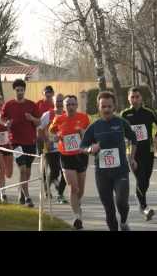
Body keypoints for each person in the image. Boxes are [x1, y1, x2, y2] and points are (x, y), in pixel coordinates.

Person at [80, 91, 138, 231]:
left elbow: (133, 139)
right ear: (98, 107)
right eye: (103, 106)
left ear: (114, 107)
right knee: (109, 209)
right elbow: (82, 146)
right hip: (102, 174)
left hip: (120, 171)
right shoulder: (94, 127)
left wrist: (132, 157)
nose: (106, 109)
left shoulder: (121, 122)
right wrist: (90, 149)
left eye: (109, 106)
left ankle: (123, 221)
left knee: (121, 202)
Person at [121, 87, 157, 221]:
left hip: (148, 151)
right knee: (140, 179)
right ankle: (144, 207)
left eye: (137, 97)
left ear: (141, 98)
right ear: (128, 98)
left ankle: (141, 202)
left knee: (145, 181)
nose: (135, 99)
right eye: (132, 97)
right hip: (132, 153)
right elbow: (119, 130)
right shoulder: (125, 114)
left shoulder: (149, 112)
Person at [49, 95, 90, 229]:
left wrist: (82, 132)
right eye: (68, 105)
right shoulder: (58, 119)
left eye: (73, 104)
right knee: (73, 187)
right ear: (64, 107)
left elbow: (89, 135)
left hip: (81, 156)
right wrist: (56, 137)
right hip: (66, 156)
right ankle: (77, 217)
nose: (70, 107)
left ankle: (77, 206)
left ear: (77, 105)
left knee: (81, 190)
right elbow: (52, 133)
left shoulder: (83, 118)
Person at [0, 79, 41, 208]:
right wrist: (6, 124)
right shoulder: (8, 105)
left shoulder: (32, 105)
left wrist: (32, 118)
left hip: (30, 142)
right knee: (22, 169)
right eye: (17, 90)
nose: (20, 92)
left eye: (22, 90)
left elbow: (38, 122)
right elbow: (1, 119)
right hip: (16, 142)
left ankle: (22, 192)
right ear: (14, 91)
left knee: (27, 172)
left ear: (24, 90)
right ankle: (28, 197)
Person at [40, 93, 68, 204]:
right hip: (50, 148)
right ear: (53, 102)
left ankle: (60, 194)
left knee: (66, 172)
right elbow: (40, 129)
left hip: (64, 148)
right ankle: (48, 187)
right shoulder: (48, 115)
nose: (60, 104)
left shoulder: (67, 115)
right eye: (58, 101)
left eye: (61, 101)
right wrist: (47, 141)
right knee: (55, 171)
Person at [35, 85, 55, 156]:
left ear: (53, 93)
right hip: (40, 133)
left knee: (52, 155)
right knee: (42, 157)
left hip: (51, 133)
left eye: (49, 92)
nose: (48, 94)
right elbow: (33, 115)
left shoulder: (55, 105)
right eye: (46, 92)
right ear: (43, 93)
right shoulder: (39, 103)